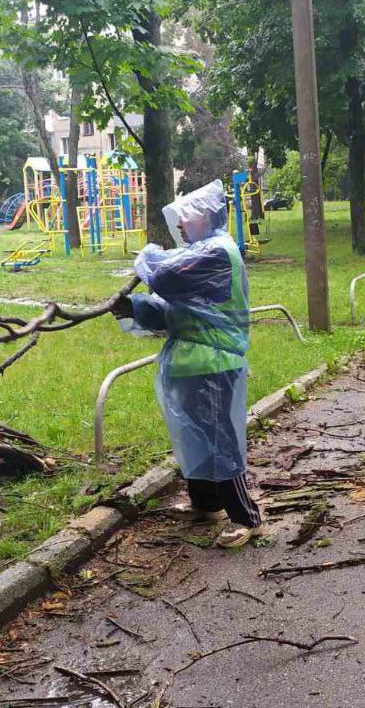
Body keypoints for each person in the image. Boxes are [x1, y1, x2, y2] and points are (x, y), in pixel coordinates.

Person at [110, 180, 265, 549]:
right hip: (189, 363)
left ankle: (245, 516)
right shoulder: (197, 255)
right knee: (195, 438)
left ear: (209, 214)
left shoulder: (216, 252)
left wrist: (146, 256)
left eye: (187, 215)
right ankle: (206, 503)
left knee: (219, 437)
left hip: (213, 362)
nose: (179, 223)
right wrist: (130, 307)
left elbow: (161, 275)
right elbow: (169, 310)